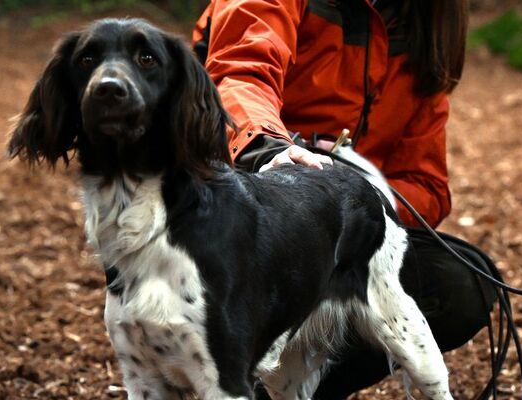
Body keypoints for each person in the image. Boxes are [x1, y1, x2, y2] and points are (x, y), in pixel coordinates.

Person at [191, 0, 497, 398]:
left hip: (354, 233)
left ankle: (305, 388)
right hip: (248, 207)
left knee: (465, 281)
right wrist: (268, 149)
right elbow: (238, 73)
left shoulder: (425, 18)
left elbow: (427, 184)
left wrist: (355, 197)